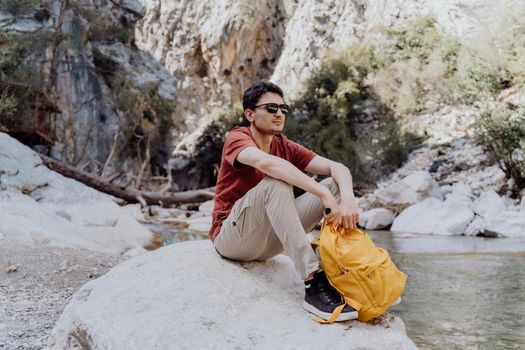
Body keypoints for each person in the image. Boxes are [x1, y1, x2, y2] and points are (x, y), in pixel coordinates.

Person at [209, 80, 360, 321]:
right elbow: (267, 164)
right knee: (276, 182)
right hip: (232, 239)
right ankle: (312, 281)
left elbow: (336, 167)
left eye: (283, 109)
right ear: (250, 114)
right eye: (271, 108)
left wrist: (349, 199)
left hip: (268, 242)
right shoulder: (238, 137)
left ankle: (349, 268)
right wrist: (322, 195)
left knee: (335, 184)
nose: (279, 114)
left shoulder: (283, 144)